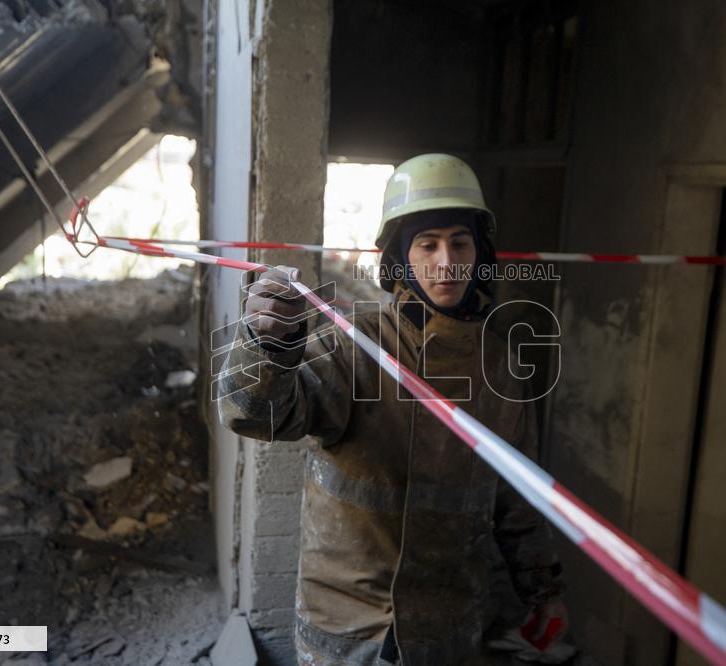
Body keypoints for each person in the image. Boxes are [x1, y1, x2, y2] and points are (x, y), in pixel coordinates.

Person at [218, 154, 570, 665]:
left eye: (461, 241)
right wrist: (264, 344)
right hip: (350, 631)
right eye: (427, 244)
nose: (446, 260)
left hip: (448, 632)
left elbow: (516, 499)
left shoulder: (503, 366)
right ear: (400, 257)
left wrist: (543, 591)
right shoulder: (355, 344)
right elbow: (256, 415)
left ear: (481, 251)